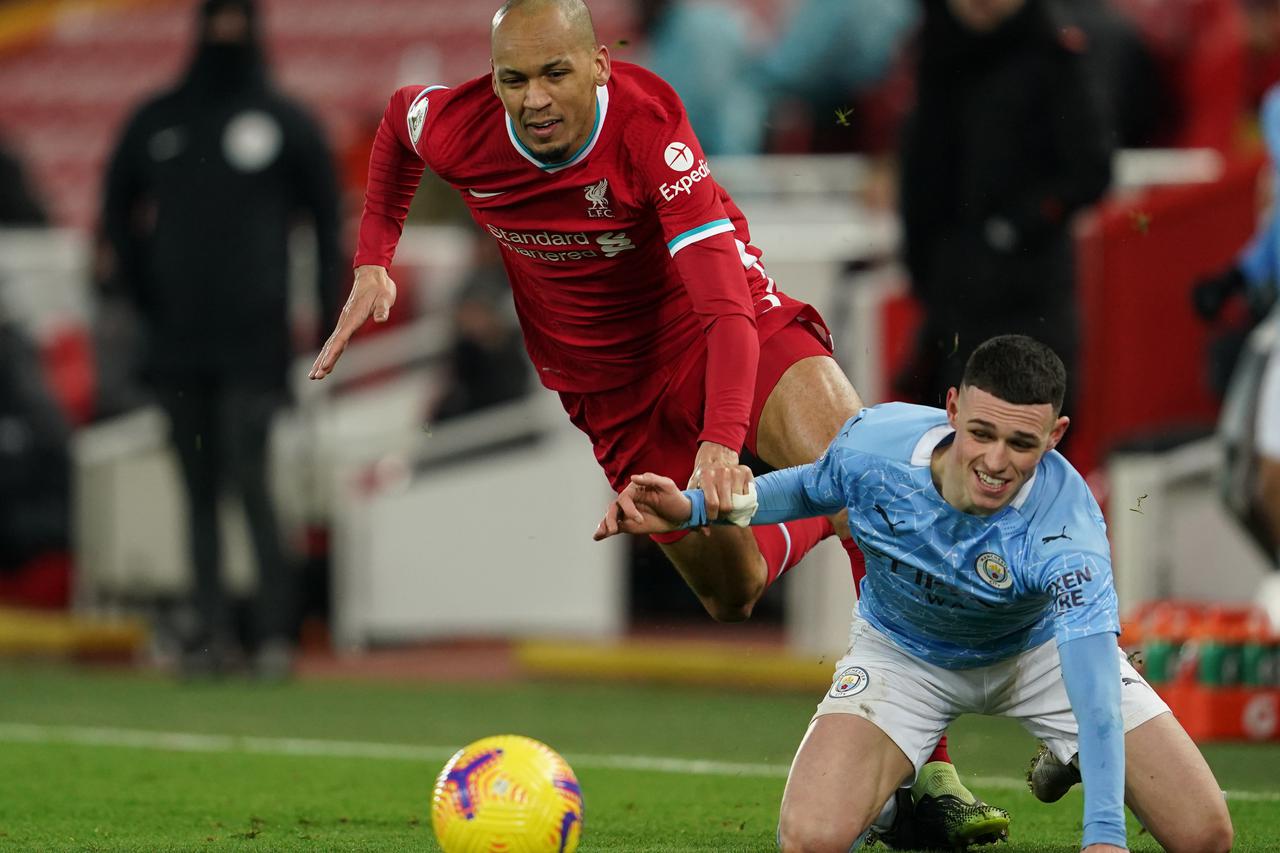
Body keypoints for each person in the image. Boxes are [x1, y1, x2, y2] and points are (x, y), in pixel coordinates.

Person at [309, 0, 1007, 842]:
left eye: (555, 73)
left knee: (868, 474)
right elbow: (395, 127)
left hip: (725, 326)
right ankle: (820, 504)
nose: (533, 98)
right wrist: (374, 260)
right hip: (613, 392)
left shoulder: (646, 122)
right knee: (734, 587)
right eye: (513, 79)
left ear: (600, 63)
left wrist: (721, 446)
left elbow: (723, 307)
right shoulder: (462, 126)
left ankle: (928, 774)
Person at [596, 334, 1234, 853]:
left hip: (1038, 659)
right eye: (982, 432)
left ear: (1056, 435)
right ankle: (892, 793)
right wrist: (694, 510)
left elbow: (1092, 687)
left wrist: (1105, 839)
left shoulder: (1069, 533)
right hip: (902, 658)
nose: (995, 461)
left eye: (1023, 444)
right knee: (809, 840)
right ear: (952, 409)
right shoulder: (876, 444)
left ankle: (1058, 754)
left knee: (1204, 834)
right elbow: (811, 489)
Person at [100, 0, 342, 677]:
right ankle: (210, 632)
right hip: (176, 343)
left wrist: (328, 319)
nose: (228, 34)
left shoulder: (286, 122)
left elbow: (327, 224)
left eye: (239, 19)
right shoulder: (159, 119)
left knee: (250, 477)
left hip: (254, 344)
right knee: (197, 488)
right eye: (219, 19)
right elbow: (115, 210)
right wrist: (144, 296)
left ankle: (272, 634)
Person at [896, 0, 1112, 411]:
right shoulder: (933, 49)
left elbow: (1091, 170)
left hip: (1027, 292)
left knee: (1021, 426)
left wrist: (1014, 229)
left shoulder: (1051, 55)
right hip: (947, 293)